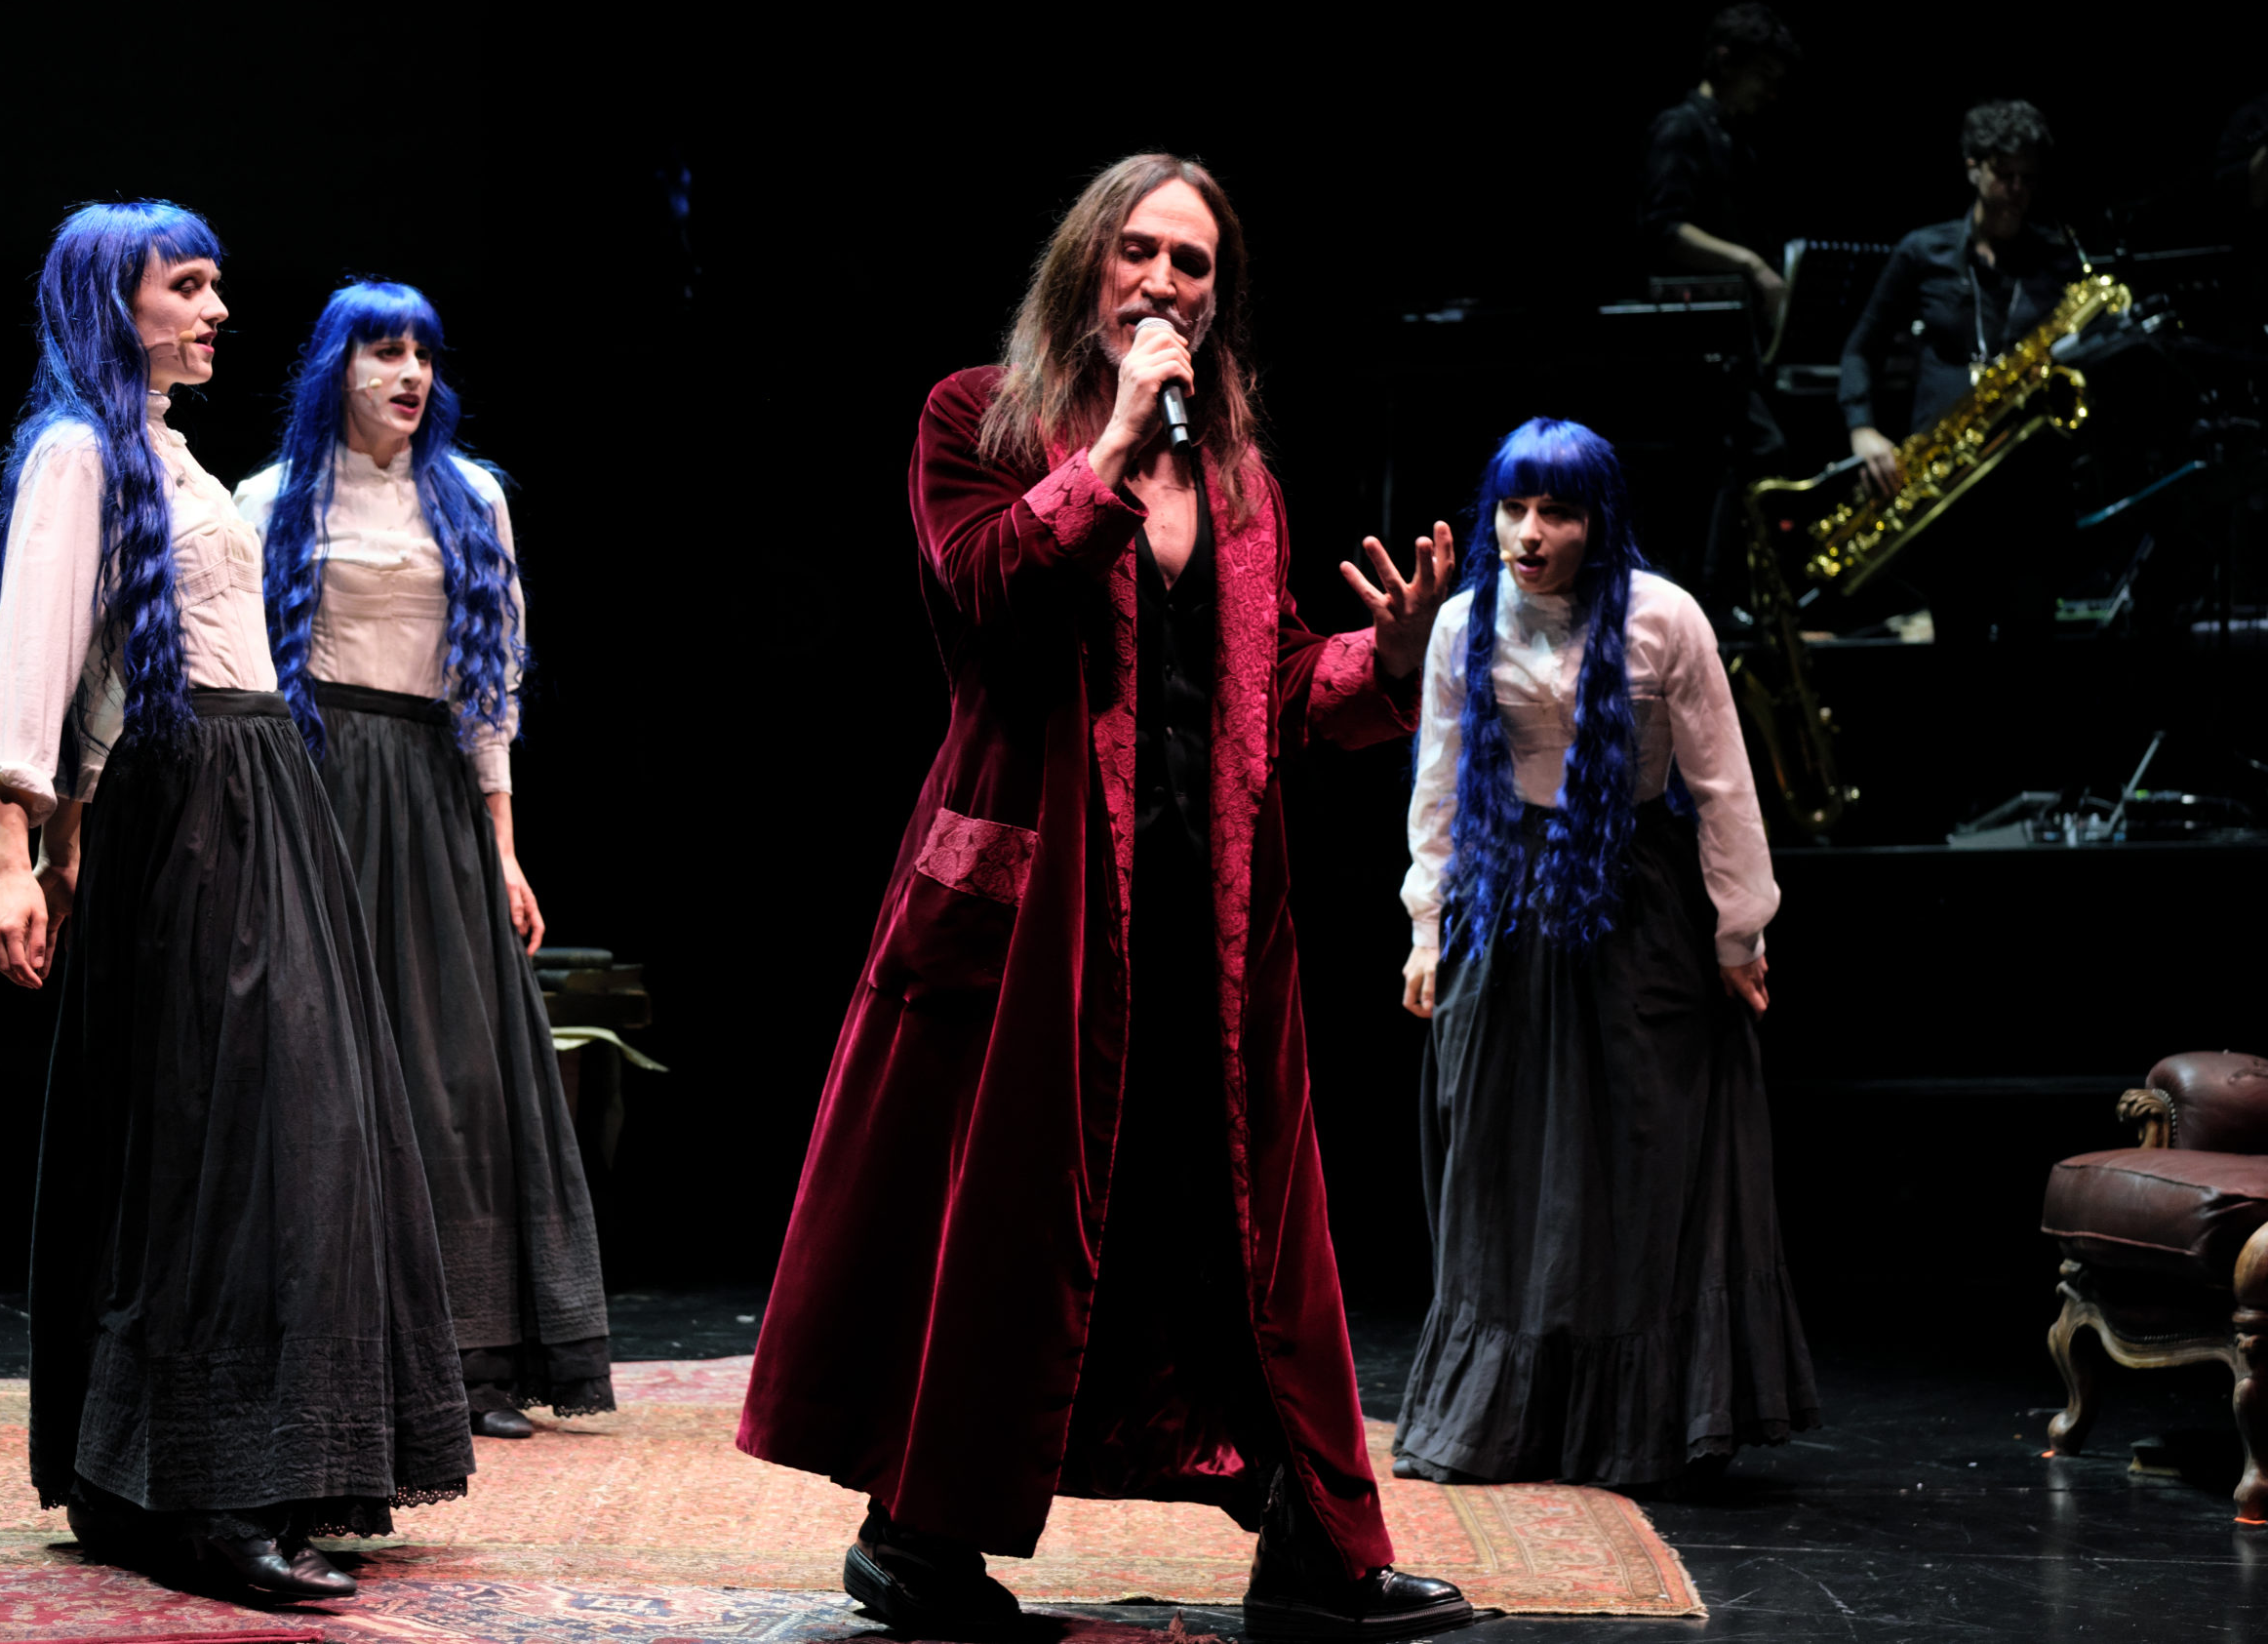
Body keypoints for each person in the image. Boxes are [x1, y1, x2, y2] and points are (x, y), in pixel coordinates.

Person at [736, 154, 1475, 1641]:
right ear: (1088, 263)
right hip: (1038, 919)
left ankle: (1317, 1542)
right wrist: (1117, 443)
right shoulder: (977, 420)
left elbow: (1271, 692)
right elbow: (987, 589)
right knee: (1005, 1230)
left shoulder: (1243, 483)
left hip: (1208, 925)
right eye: (1140, 250)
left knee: (1244, 1231)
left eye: (1194, 264)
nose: (1165, 283)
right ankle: (918, 1538)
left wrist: (1389, 662)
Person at [0, 204, 473, 1600]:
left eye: (214, 286)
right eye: (185, 287)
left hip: (256, 794)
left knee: (276, 1132)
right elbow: (42, 645)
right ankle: (210, 1492)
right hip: (197, 803)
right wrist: (18, 843)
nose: (215, 310)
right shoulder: (80, 451)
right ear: (114, 303)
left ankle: (177, 1474)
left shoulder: (170, 454)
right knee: (234, 1141)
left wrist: (77, 826)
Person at [1390, 418, 1819, 1496]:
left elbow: (1722, 785)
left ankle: (1638, 1424)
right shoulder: (1463, 624)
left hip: (1634, 906)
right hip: (1506, 905)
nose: (1530, 534)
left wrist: (1739, 930)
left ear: (1598, 522)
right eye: (1514, 509)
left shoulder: (1663, 619)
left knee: (1637, 1158)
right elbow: (1438, 785)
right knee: (1501, 1161)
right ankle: (1507, 1417)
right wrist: (1426, 927)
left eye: (1558, 512)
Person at [236, 281, 612, 1440]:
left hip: (435, 793)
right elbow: (242, 672)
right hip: (317, 785)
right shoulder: (270, 500)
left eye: (424, 355)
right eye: (384, 352)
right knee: (333, 1072)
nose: (409, 374)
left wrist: (503, 845)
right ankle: (332, 1348)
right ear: (335, 369)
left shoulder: (470, 497)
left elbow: (492, 685)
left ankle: (475, 1357)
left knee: (458, 1077)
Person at [1838, 100, 2076, 806]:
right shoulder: (1924, 252)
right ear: (1972, 168)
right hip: (1947, 491)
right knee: (1959, 651)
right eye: (2005, 175)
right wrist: (1863, 429)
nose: (2017, 192)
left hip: (2030, 483)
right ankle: (1964, 806)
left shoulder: (2056, 258)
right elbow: (1859, 349)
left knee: (2032, 651)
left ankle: (2032, 801)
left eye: (2029, 178)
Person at [1638, 1, 1799, 603]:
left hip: (1730, 340)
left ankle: (1727, 596)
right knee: (1740, 456)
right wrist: (1751, 265)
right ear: (1726, 61)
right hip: (1689, 346)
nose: (1770, 93)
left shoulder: (1736, 138)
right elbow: (1664, 229)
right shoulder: (1682, 128)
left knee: (1744, 458)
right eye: (1763, 76)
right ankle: (1709, 598)